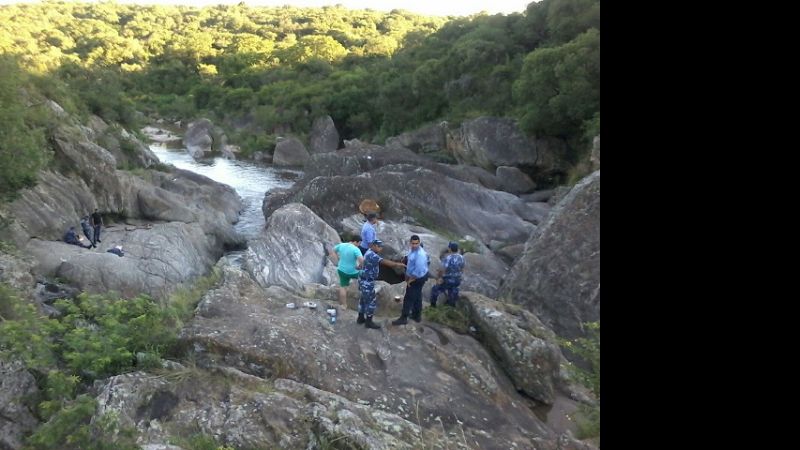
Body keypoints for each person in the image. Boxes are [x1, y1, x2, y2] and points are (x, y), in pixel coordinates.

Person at [357, 239, 406, 329]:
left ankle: (360, 318)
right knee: (371, 301)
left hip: (364, 279)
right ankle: (368, 322)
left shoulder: (368, 252)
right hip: (367, 281)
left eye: (381, 247)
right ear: (374, 246)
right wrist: (397, 264)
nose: (380, 249)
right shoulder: (372, 255)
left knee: (363, 299)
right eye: (379, 247)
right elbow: (385, 262)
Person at [392, 235, 429, 325]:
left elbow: (418, 271)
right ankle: (417, 316)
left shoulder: (420, 255)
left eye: (416, 243)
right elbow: (409, 260)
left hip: (417, 277)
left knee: (409, 297)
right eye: (413, 243)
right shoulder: (412, 250)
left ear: (419, 243)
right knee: (417, 296)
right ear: (410, 243)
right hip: (417, 276)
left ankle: (404, 318)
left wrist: (411, 279)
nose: (414, 245)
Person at [328, 235, 364, 311]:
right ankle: (362, 291)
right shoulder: (356, 249)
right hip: (353, 272)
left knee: (343, 287)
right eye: (359, 243)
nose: (359, 245)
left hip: (341, 270)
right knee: (363, 275)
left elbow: (333, 251)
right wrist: (360, 266)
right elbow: (361, 260)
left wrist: (337, 260)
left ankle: (344, 305)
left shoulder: (342, 245)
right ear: (356, 242)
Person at [430, 242, 465, 307]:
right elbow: (462, 268)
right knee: (453, 291)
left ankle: (432, 306)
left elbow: (443, 269)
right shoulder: (461, 257)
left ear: (450, 249)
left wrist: (439, 278)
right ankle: (451, 306)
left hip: (447, 280)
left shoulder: (448, 258)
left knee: (435, 290)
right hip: (457, 279)